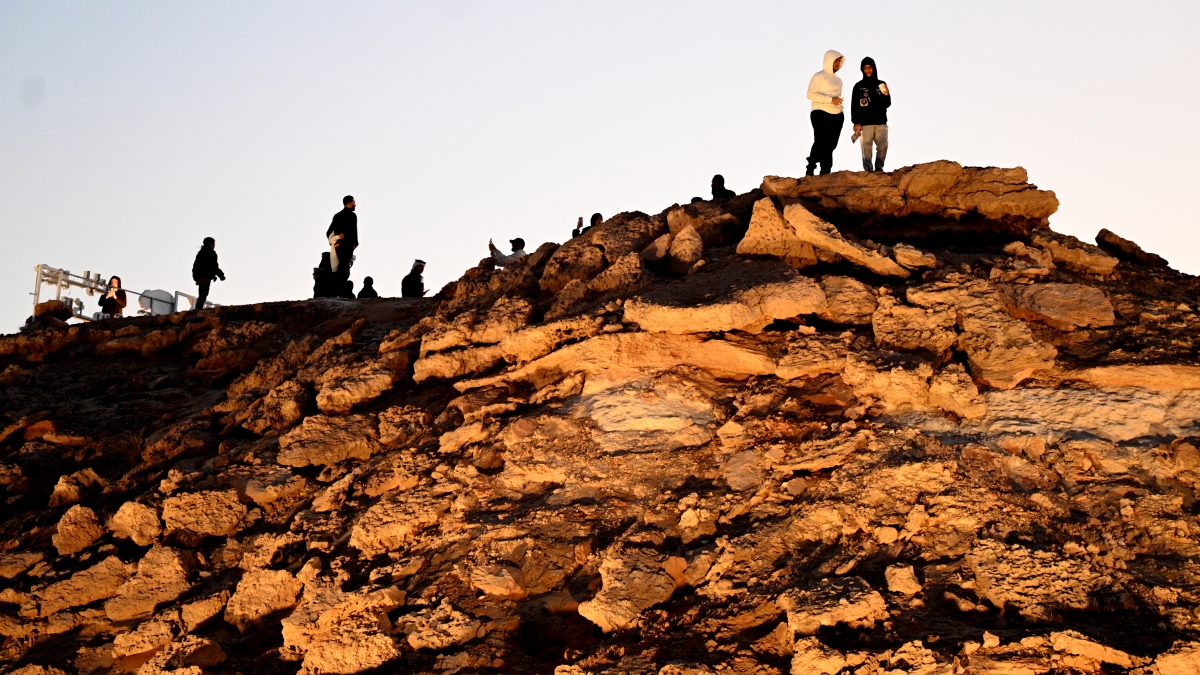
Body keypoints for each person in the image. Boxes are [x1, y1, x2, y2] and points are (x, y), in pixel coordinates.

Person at [806, 50, 846, 176]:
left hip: (837, 114)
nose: (838, 63)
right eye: (836, 60)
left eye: (839, 61)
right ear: (829, 61)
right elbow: (810, 94)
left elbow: (836, 97)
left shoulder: (839, 80)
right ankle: (810, 168)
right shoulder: (818, 76)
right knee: (820, 140)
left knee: (831, 145)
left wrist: (837, 102)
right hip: (820, 112)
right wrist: (830, 100)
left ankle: (825, 172)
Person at [850, 56, 891, 172]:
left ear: (874, 68)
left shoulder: (881, 84)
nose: (868, 70)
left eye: (870, 67)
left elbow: (888, 103)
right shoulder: (858, 87)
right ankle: (868, 171)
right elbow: (854, 105)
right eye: (865, 68)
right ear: (862, 70)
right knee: (866, 147)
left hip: (881, 122)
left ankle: (879, 169)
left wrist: (885, 95)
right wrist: (855, 122)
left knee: (883, 145)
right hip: (865, 123)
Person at [326, 195, 358, 285]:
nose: (355, 204)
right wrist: (355, 243)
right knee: (344, 270)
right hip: (347, 246)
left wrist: (334, 242)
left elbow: (328, 232)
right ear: (351, 203)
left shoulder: (337, 216)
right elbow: (354, 230)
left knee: (342, 268)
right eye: (354, 202)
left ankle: (338, 292)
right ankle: (339, 293)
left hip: (338, 247)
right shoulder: (352, 216)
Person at [191, 237, 225, 309]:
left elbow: (195, 266)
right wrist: (221, 275)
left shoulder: (200, 254)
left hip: (200, 277)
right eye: (213, 244)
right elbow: (214, 267)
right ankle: (198, 309)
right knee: (204, 293)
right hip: (206, 276)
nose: (214, 245)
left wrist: (196, 277)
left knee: (201, 293)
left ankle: (198, 308)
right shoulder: (212, 254)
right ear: (211, 244)